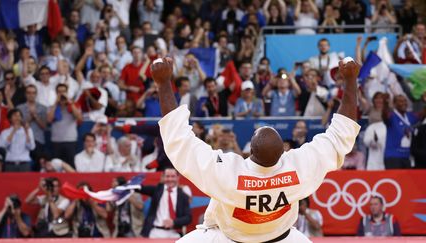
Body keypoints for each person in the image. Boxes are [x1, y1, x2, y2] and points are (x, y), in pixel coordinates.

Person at [150, 57, 360, 242]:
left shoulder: (227, 174)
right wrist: (350, 81)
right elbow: (342, 134)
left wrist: (163, 83)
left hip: (227, 238)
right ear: (283, 154)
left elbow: (178, 140)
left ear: (250, 150)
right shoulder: (299, 167)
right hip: (284, 238)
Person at [136, 168, 192, 238]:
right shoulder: (156, 191)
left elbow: (188, 218)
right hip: (155, 233)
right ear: (163, 177)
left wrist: (174, 222)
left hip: (174, 233)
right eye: (167, 176)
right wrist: (127, 185)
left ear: (178, 177)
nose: (170, 179)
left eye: (173, 176)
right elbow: (140, 189)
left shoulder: (183, 196)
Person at [47, 84, 82, 167]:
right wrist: (56, 103)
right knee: (56, 166)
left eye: (63, 91)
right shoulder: (52, 107)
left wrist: (70, 103)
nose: (62, 94)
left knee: (71, 165)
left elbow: (79, 118)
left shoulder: (74, 105)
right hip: (56, 141)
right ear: (56, 93)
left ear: (67, 92)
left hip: (70, 140)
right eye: (59, 92)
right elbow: (49, 119)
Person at [383, 95, 419, 169]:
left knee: (406, 181)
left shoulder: (409, 116)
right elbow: (385, 116)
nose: (404, 103)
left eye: (405, 101)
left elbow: (421, 115)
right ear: (394, 104)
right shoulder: (392, 115)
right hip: (393, 157)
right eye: (401, 101)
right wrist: (386, 104)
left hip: (407, 156)